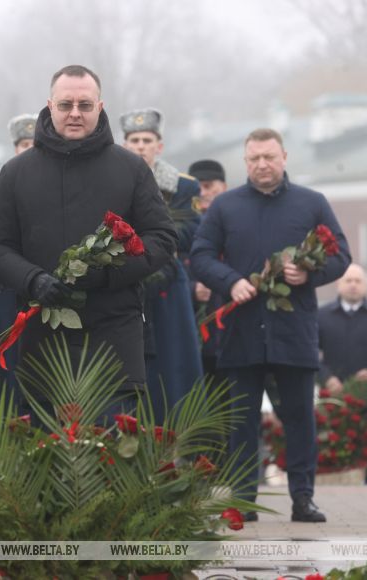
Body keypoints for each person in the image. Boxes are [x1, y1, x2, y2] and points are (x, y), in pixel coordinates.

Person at [0, 65, 177, 416]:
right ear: (50, 105)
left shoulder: (131, 168)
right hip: (43, 344)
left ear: (100, 107)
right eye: (66, 104)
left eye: (85, 105)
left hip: (113, 344)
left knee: (109, 462)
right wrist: (33, 280)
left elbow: (161, 239)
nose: (75, 113)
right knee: (47, 463)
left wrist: (106, 274)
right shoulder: (16, 173)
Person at [191, 128, 351, 522]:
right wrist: (231, 282)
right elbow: (201, 255)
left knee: (299, 419)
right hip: (241, 332)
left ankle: (303, 499)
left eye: (269, 157)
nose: (262, 165)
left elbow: (341, 255)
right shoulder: (225, 206)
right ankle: (244, 501)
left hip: (293, 330)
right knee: (242, 423)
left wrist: (308, 275)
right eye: (254, 159)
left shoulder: (311, 203)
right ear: (245, 162)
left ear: (284, 157)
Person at [120, 108, 204, 423]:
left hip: (168, 280)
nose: (140, 146)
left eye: (147, 139)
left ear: (160, 145)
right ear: (124, 144)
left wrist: (149, 239)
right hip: (127, 279)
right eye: (134, 140)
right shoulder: (112, 181)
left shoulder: (183, 187)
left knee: (175, 363)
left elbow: (191, 231)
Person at [318, 264, 367, 392]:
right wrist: (326, 377)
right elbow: (310, 352)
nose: (353, 285)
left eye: (358, 281)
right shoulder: (321, 316)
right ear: (338, 284)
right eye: (348, 280)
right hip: (332, 397)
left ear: (366, 285)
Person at [187, 159, 229, 377]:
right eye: (198, 186)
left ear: (223, 187)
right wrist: (192, 288)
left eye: (209, 186)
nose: (203, 192)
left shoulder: (235, 222)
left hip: (229, 329)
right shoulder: (179, 225)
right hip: (192, 330)